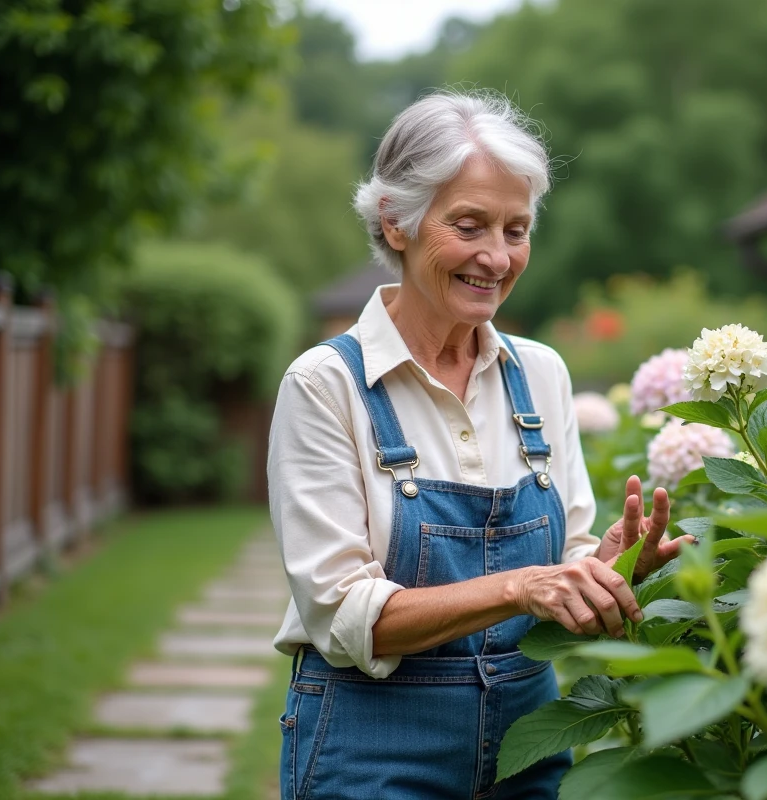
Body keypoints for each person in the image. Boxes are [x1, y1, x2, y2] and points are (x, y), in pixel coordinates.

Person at [267, 91, 691, 800]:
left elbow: (568, 560)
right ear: (395, 222)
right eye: (469, 225)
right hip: (373, 751)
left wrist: (608, 569)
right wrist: (522, 586)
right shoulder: (326, 384)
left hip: (528, 748)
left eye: (517, 229)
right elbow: (342, 617)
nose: (497, 256)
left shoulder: (541, 375)